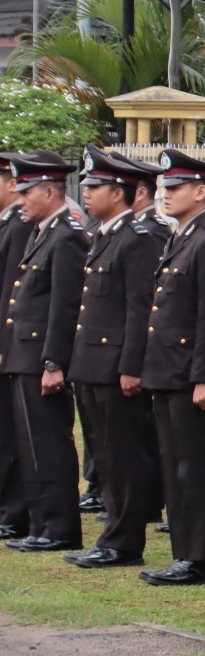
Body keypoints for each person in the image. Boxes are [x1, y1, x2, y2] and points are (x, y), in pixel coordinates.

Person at [136, 149, 205, 588]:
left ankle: (198, 557)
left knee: (194, 465)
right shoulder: (182, 235)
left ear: (201, 191)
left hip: (189, 372)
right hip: (167, 368)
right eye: (164, 188)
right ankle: (183, 551)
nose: (166, 195)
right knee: (175, 461)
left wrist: (203, 377)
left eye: (175, 188)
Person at [64, 152, 159, 570]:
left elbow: (140, 309)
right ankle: (112, 534)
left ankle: (124, 540)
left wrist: (131, 366)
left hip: (116, 364)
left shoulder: (135, 238)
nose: (85, 193)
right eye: (84, 186)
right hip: (91, 362)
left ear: (117, 193)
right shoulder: (102, 233)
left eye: (94, 187)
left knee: (123, 456)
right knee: (103, 455)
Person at [2, 153, 90, 555]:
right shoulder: (42, 232)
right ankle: (40, 523)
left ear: (50, 191)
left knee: (49, 444)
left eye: (27, 193)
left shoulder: (66, 235)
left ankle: (58, 527)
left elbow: (64, 304)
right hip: (24, 352)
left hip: (41, 356)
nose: (21, 200)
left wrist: (54, 361)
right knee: (30, 443)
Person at [0, 158, 29, 540]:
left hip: (12, 344)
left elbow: (12, 294)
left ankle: (13, 510)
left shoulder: (18, 226)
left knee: (11, 433)